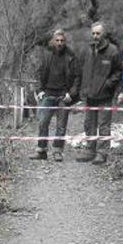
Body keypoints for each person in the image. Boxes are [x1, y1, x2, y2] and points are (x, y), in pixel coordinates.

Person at [30, 29, 80, 161]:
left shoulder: (71, 56)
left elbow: (77, 77)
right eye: (57, 40)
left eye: (62, 41)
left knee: (61, 125)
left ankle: (58, 151)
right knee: (42, 122)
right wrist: (39, 90)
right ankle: (41, 150)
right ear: (53, 40)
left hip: (64, 95)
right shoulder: (46, 54)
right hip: (48, 93)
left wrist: (72, 93)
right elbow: (38, 72)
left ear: (65, 41)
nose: (59, 43)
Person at [76, 22, 122, 164]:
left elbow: (119, 71)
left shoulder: (113, 51)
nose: (95, 36)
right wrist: (83, 89)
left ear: (104, 34)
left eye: (98, 33)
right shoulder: (88, 50)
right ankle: (90, 150)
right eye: (93, 33)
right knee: (89, 124)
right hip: (90, 95)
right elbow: (83, 70)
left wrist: (108, 85)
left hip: (104, 96)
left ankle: (102, 153)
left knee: (104, 125)